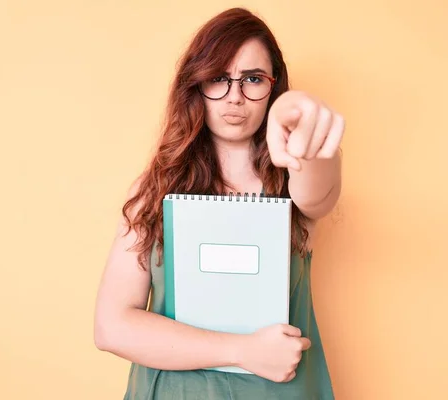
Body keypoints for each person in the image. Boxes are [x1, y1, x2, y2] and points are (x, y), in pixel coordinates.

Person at [94, 7, 344, 400]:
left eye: (253, 80)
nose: (235, 97)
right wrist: (242, 351)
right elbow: (112, 326)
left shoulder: (293, 184)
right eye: (218, 79)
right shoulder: (153, 190)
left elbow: (318, 185)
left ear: (272, 87)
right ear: (195, 85)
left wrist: (293, 112)